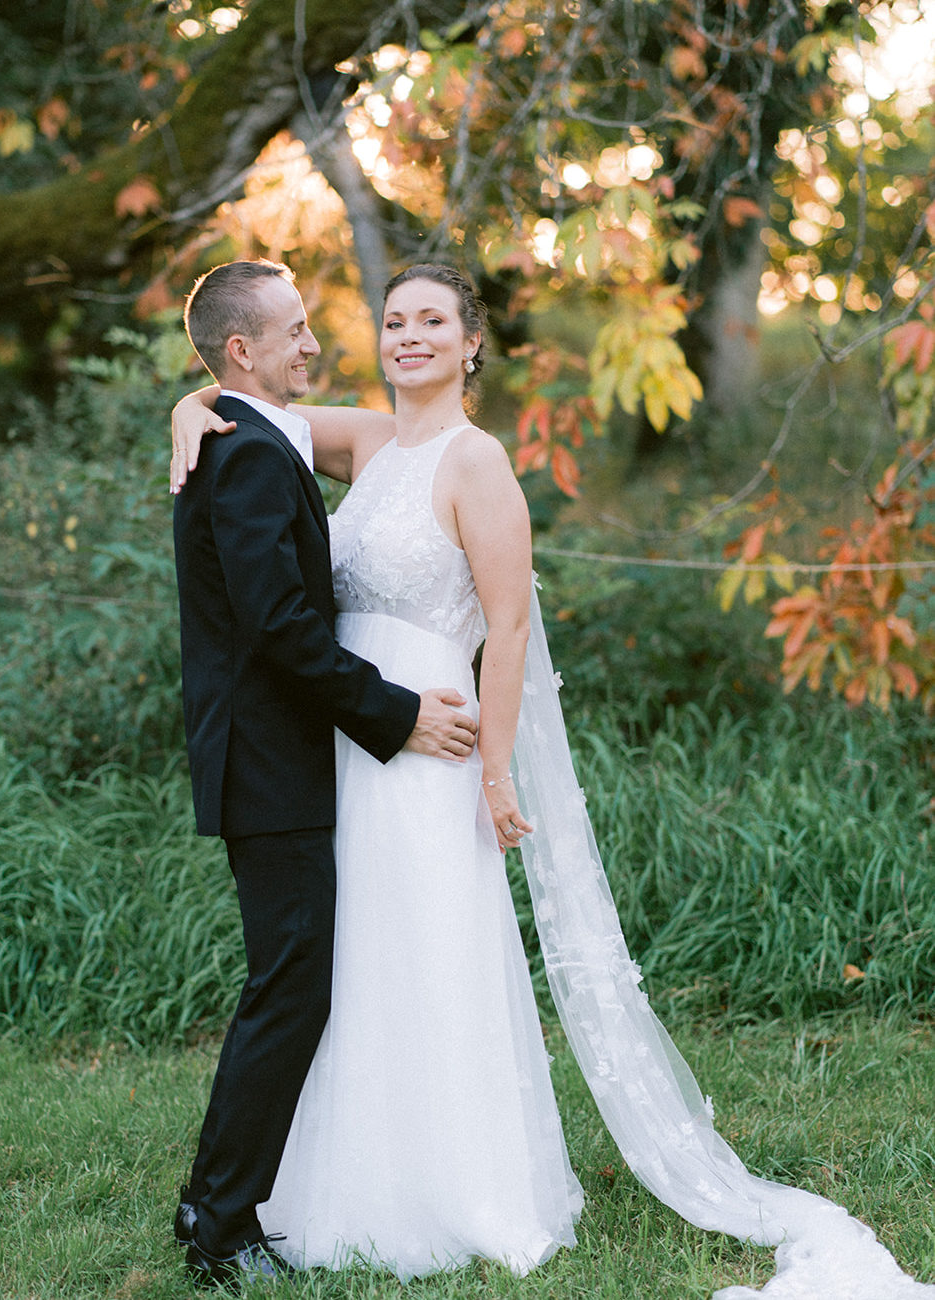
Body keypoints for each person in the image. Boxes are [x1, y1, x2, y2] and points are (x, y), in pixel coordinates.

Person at [170, 263, 935, 1298]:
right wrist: (191, 400)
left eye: (430, 321)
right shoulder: (359, 440)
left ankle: (442, 1180)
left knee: (426, 946)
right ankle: (320, 1184)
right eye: (390, 320)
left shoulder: (476, 460)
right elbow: (248, 401)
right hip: (346, 744)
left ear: (470, 341)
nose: (403, 337)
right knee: (343, 964)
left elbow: (509, 623)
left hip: (423, 735)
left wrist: (490, 763)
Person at [170, 260, 478, 1291]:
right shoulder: (249, 454)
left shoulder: (257, 432)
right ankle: (218, 1220)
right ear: (244, 351)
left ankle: (218, 1201)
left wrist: (195, 392)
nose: (315, 344)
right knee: (289, 988)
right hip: (271, 763)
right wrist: (393, 712)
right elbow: (280, 628)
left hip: (280, 761)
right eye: (294, 331)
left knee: (290, 981)